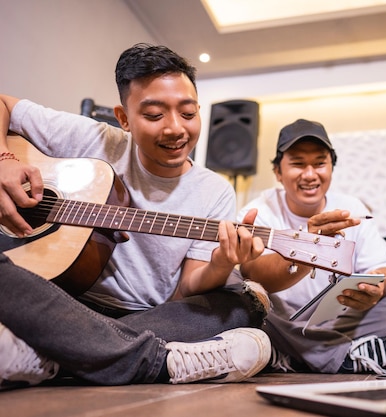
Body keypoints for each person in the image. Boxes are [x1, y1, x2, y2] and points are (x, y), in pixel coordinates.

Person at [0, 43, 272, 390]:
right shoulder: (93, 139)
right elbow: (4, 103)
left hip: (148, 316)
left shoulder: (214, 191)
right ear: (124, 118)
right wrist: (4, 160)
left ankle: (53, 354)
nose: (176, 129)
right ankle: (158, 361)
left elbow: (186, 290)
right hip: (62, 300)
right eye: (155, 115)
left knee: (245, 303)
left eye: (188, 114)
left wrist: (221, 263)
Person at [237, 119, 386, 375]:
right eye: (297, 163)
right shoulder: (258, 211)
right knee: (241, 304)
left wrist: (374, 286)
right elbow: (256, 274)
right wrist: (308, 246)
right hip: (282, 325)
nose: (310, 174)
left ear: (331, 167)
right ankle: (348, 355)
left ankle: (293, 358)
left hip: (334, 324)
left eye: (319, 163)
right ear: (278, 172)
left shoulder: (350, 208)